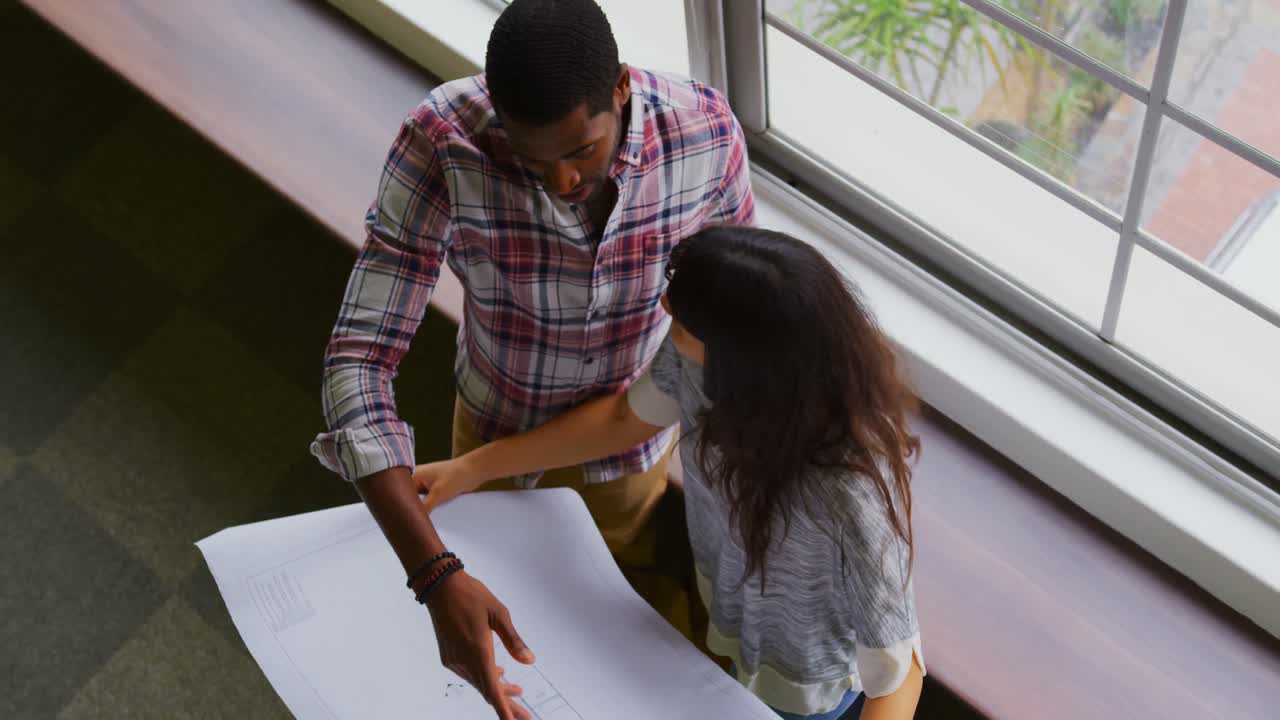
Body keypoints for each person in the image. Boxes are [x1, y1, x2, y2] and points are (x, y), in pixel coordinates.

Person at [309, 0, 754, 717]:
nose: (562, 185)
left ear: (621, 89)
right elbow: (357, 359)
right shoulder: (442, 141)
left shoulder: (706, 134)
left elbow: (730, 304)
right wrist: (432, 573)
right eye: (532, 159)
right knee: (490, 591)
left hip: (630, 441)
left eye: (581, 152)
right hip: (492, 423)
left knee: (609, 587)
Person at [414, 226, 926, 719]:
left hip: (799, 687)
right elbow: (623, 420)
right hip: (729, 618)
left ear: (748, 356)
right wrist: (474, 466)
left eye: (683, 321)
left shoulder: (849, 488)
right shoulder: (698, 361)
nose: (664, 311)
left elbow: (901, 673)